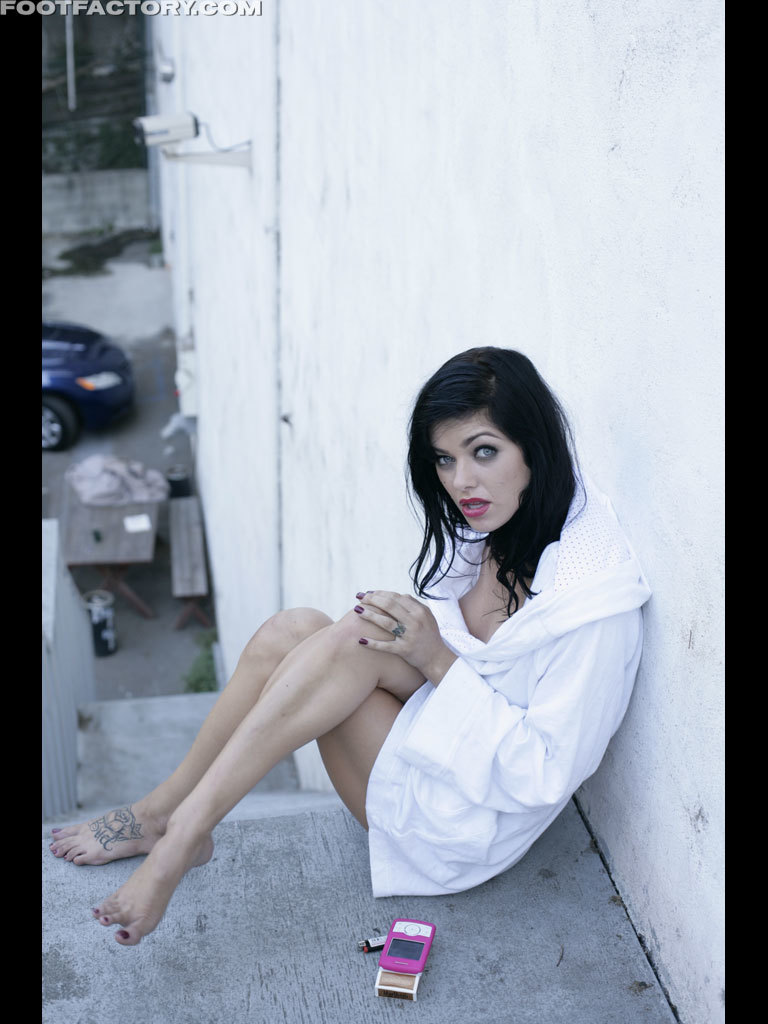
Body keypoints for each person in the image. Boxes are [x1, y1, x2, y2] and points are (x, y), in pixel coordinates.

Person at [48, 347, 651, 946]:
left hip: (467, 824)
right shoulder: (506, 525)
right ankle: (160, 814)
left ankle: (180, 838)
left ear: (534, 447)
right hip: (444, 750)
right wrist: (424, 651)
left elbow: (542, 776)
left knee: (354, 643)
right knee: (294, 629)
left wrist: (434, 657)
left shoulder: (592, 609)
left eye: (484, 451)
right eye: (445, 459)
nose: (461, 481)